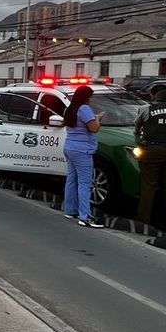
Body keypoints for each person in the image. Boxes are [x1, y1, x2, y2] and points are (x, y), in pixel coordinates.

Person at [134, 86, 166, 232]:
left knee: (148, 186)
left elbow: (137, 127)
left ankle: (143, 221)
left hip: (152, 151)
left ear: (154, 96)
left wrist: (138, 136)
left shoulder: (146, 109)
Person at [62, 85, 104, 227]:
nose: (91, 99)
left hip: (69, 147)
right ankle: (85, 217)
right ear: (86, 97)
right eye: (90, 97)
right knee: (85, 184)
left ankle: (70, 210)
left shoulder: (69, 109)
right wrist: (97, 119)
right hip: (82, 150)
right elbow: (94, 128)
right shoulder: (84, 109)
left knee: (71, 179)